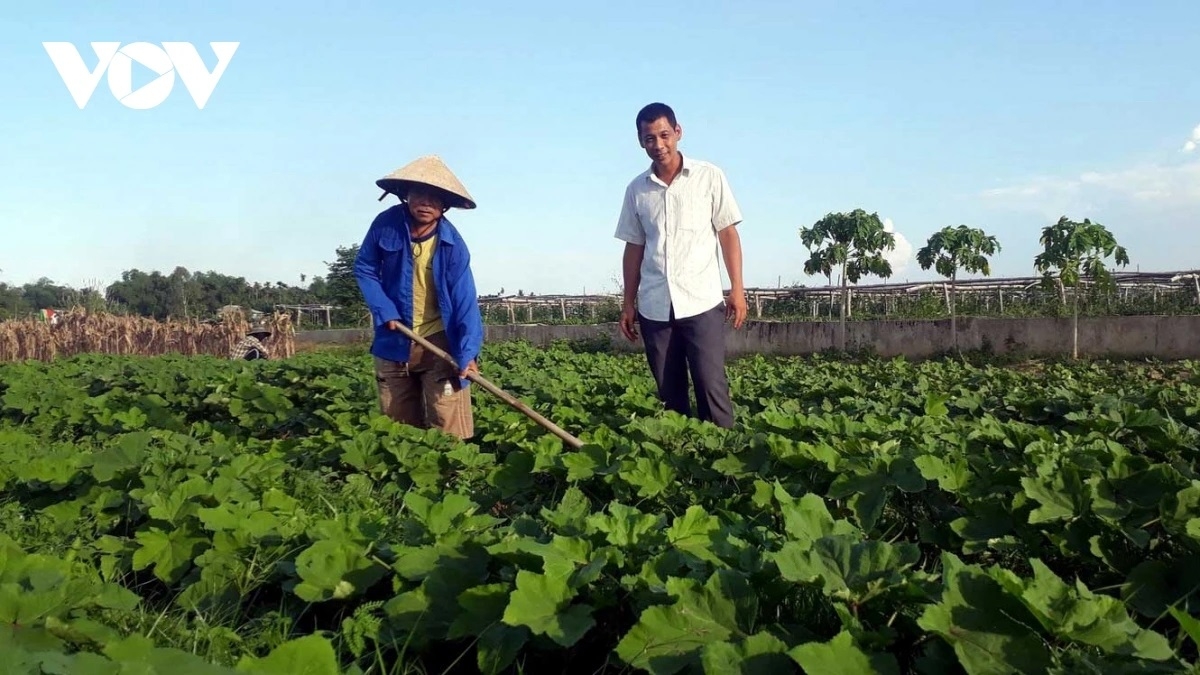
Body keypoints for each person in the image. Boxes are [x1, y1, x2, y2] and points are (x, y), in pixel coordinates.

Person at [613, 102, 748, 429]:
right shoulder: (637, 190)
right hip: (655, 307)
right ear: (640, 141)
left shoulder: (708, 176)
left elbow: (727, 233)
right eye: (649, 139)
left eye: (663, 135)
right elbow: (634, 247)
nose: (658, 145)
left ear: (678, 132)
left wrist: (738, 291)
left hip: (701, 301)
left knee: (710, 384)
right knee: (669, 392)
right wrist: (628, 303)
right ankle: (680, 459)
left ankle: (722, 459)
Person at [354, 154, 484, 440]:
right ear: (406, 196)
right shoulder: (385, 225)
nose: (425, 202)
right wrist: (383, 309)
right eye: (419, 194)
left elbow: (465, 302)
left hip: (438, 340)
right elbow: (364, 267)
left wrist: (467, 354)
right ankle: (407, 472)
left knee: (447, 419)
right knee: (398, 420)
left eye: (434, 197)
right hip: (394, 338)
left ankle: (453, 476)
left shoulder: (453, 245)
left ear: (444, 205)